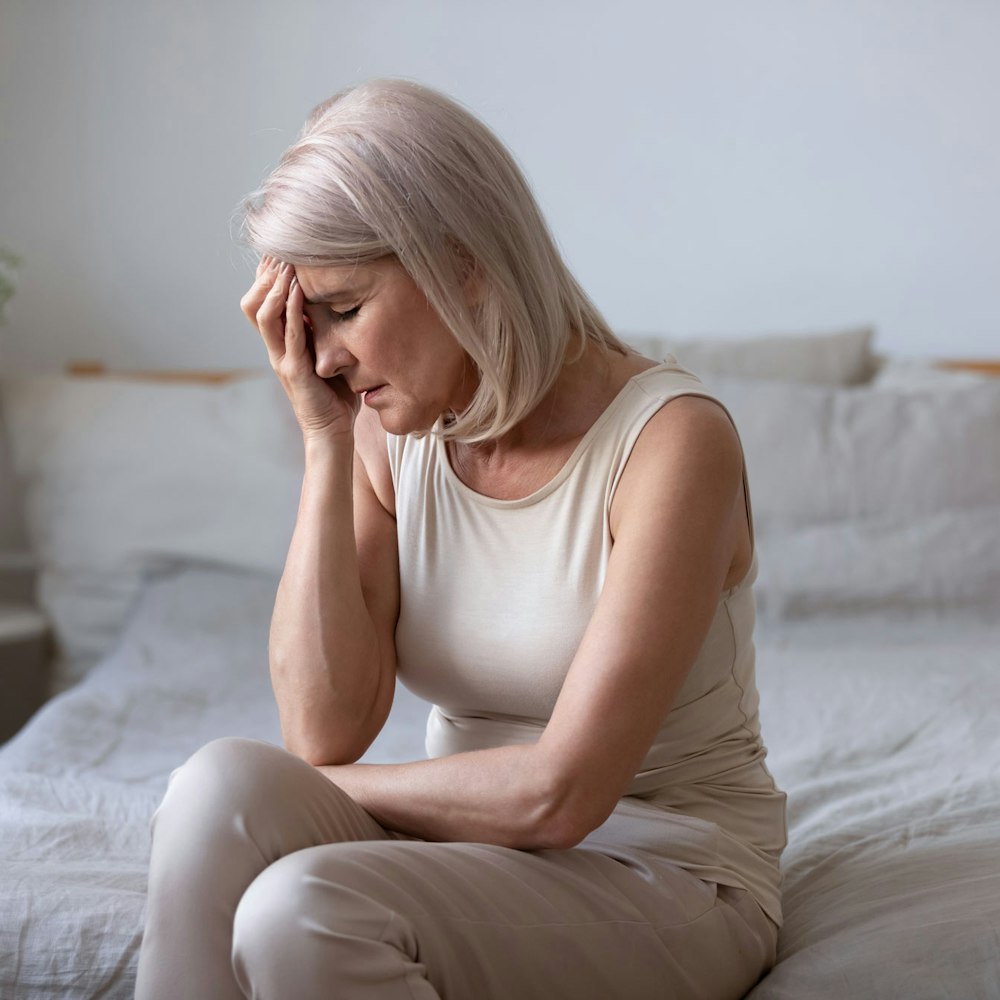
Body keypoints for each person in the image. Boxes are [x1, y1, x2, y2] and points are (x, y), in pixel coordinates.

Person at [135, 78, 786, 1000]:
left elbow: (561, 793)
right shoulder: (386, 432)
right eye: (304, 322)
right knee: (215, 789)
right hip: (474, 854)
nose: (323, 358)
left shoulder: (672, 441)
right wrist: (324, 442)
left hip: (670, 871)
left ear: (464, 260)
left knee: (302, 906)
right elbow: (323, 728)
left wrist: (348, 794)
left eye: (346, 309)